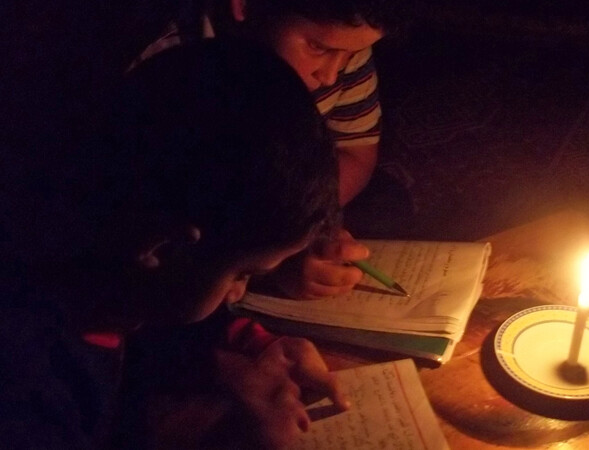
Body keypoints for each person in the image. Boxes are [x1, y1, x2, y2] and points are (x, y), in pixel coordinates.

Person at [0, 40, 348, 449]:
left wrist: (252, 344)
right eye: (245, 275)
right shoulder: (26, 382)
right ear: (164, 250)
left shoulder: (112, 285)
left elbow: (160, 330)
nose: (239, 294)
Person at [129, 0, 410, 299]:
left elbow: (355, 151)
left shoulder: (340, 45)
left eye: (352, 54)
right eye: (318, 47)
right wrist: (269, 251)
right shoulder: (171, 69)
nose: (331, 75)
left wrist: (302, 230)